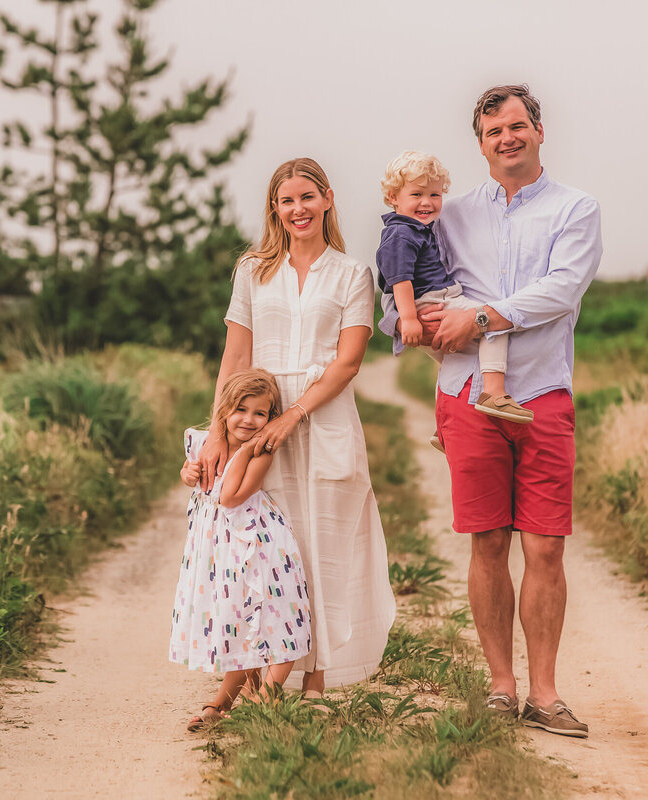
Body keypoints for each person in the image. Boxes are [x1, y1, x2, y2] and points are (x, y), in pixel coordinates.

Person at [379, 85, 602, 737]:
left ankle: (547, 692)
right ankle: (502, 687)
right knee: (488, 540)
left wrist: (478, 315)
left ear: (538, 130)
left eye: (516, 126)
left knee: (547, 547)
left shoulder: (575, 209)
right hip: (467, 396)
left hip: (541, 395)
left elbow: (562, 290)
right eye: (492, 131)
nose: (506, 138)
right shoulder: (447, 215)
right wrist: (409, 319)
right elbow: (401, 292)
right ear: (479, 143)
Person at [198, 157, 396, 697]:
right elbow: (236, 353)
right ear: (275, 209)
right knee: (266, 552)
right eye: (286, 201)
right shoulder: (253, 270)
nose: (297, 209)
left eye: (307, 197)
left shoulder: (353, 274)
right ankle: (259, 671)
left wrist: (294, 414)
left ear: (327, 199)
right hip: (258, 428)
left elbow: (347, 363)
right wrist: (219, 429)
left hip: (323, 418)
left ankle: (317, 677)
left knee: (325, 545)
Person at [171, 369, 311, 731]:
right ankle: (229, 696)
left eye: (260, 414)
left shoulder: (261, 450)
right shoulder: (206, 443)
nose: (249, 420)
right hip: (219, 551)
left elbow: (231, 495)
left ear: (270, 417)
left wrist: (247, 449)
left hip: (259, 543)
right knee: (235, 617)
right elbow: (195, 477)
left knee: (276, 614)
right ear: (224, 411)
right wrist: (188, 472)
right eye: (241, 410)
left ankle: (268, 698)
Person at [376, 150, 532, 435]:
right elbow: (399, 281)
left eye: (435, 195)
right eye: (417, 195)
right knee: (493, 320)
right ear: (393, 197)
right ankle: (494, 393)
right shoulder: (401, 233)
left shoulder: (416, 229)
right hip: (434, 301)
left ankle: (442, 428)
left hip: (430, 301)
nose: (427, 202)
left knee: (453, 365)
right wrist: (408, 319)